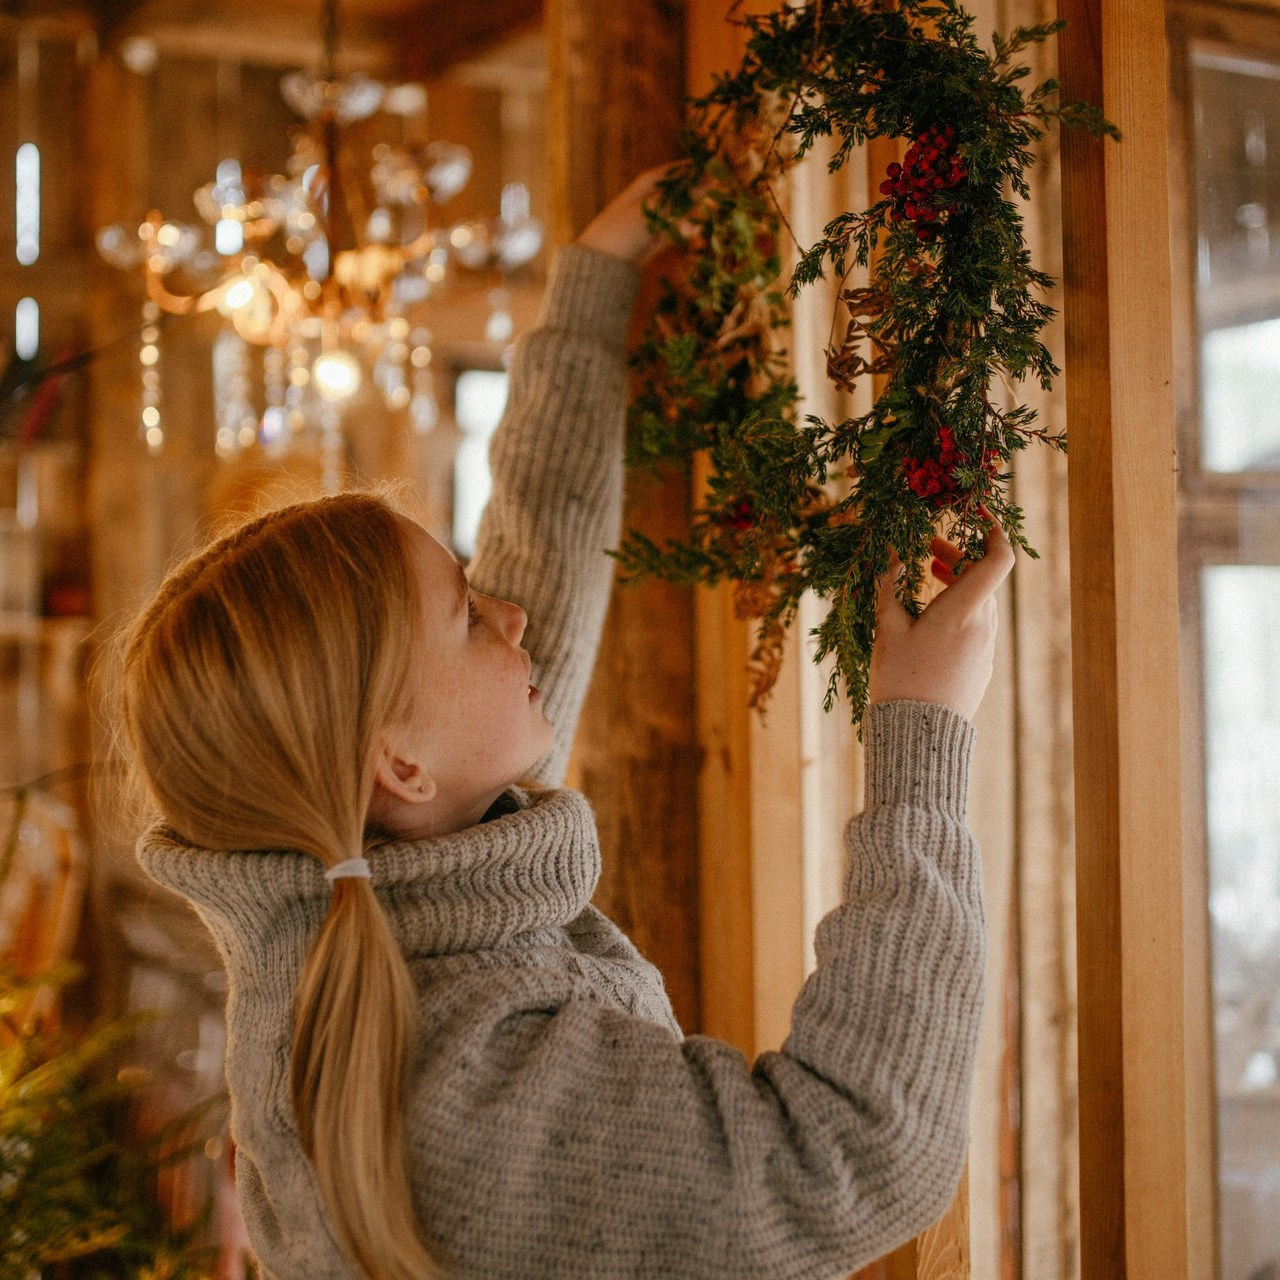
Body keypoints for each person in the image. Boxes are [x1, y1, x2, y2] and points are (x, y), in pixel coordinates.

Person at [122, 166, 1014, 1280]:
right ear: (398, 762)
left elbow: (527, 578)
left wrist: (593, 283)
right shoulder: (465, 1082)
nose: (509, 617)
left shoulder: (352, 905)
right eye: (467, 615)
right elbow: (848, 1154)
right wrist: (921, 732)